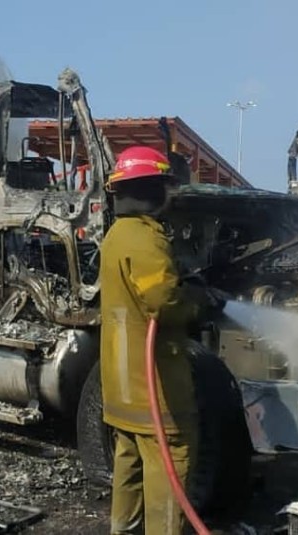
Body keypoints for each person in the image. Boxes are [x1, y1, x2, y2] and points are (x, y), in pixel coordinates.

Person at [99, 145, 223, 534]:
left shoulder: (118, 234)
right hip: (155, 386)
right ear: (153, 189)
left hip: (122, 387)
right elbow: (164, 303)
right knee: (171, 464)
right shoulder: (145, 239)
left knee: (130, 465)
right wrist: (201, 302)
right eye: (167, 186)